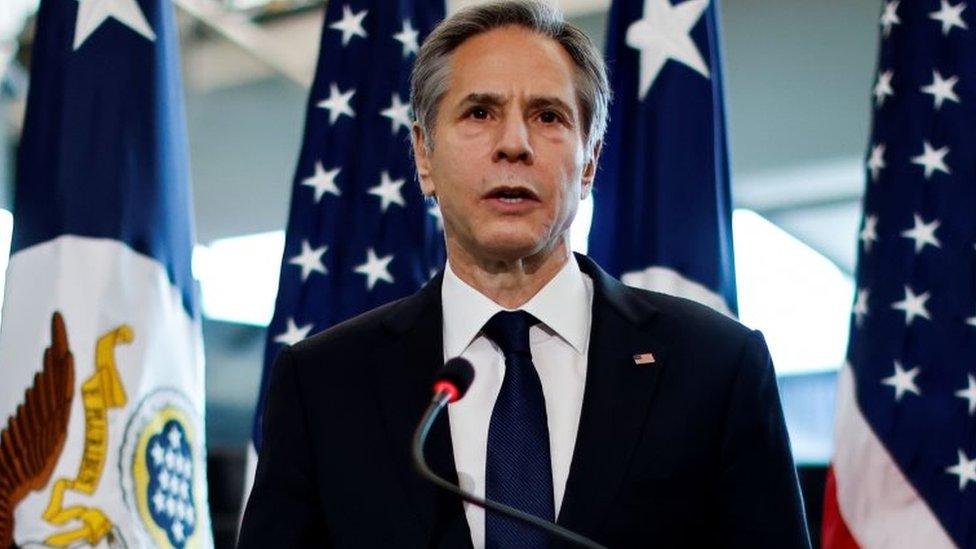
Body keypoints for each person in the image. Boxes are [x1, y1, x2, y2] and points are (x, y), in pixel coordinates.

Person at [237, 1, 811, 547]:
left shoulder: (716, 366)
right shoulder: (323, 384)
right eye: (480, 113)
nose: (514, 144)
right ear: (423, 156)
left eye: (548, 116)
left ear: (588, 162)